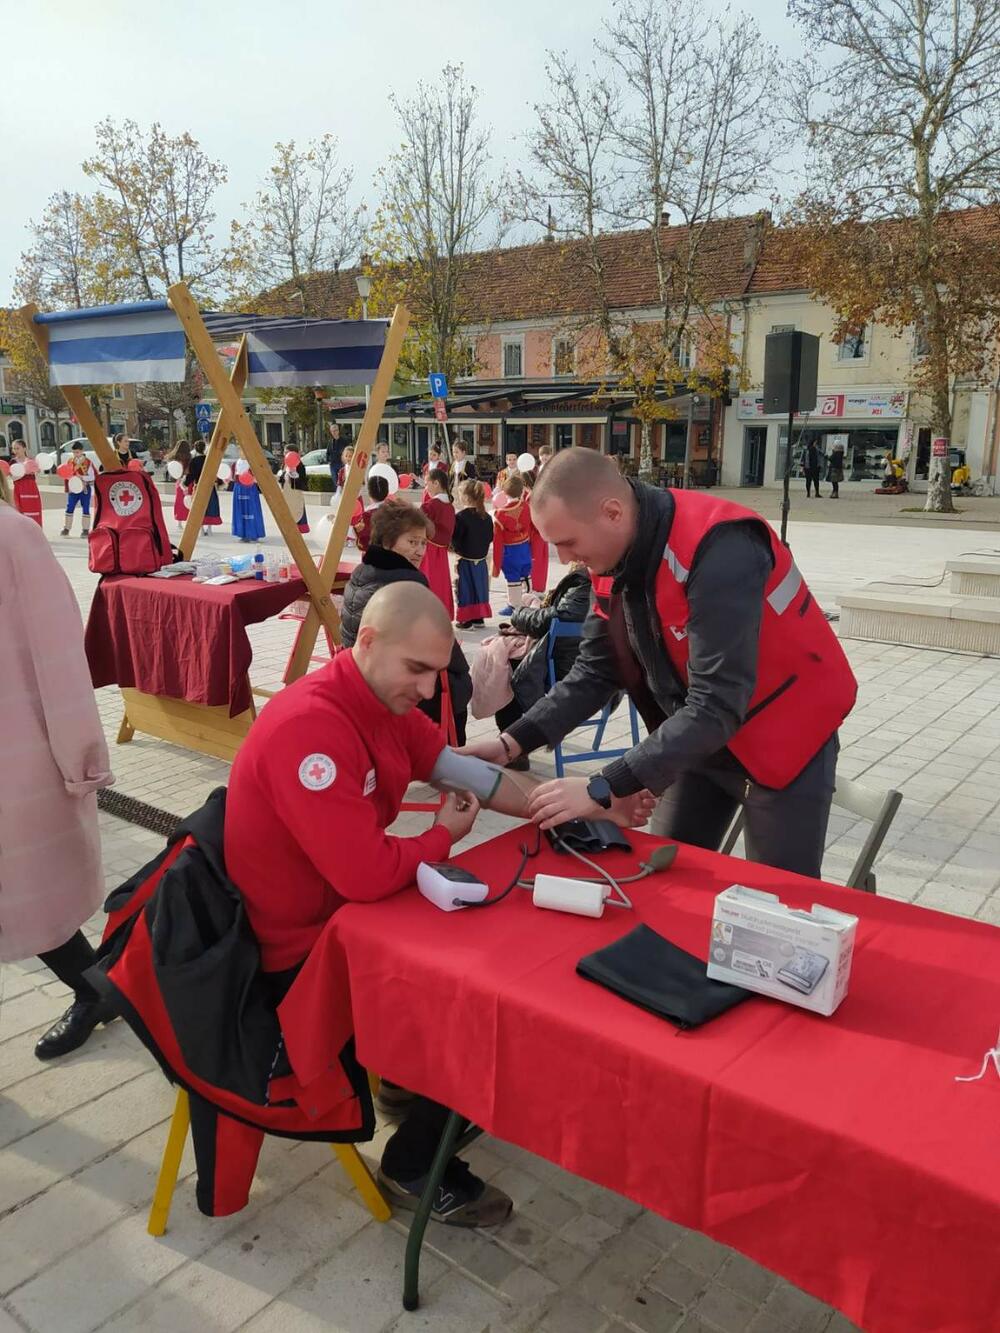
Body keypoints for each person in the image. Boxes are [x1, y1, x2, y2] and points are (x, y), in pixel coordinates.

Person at [224, 584, 515, 1226]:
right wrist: (443, 837)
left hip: (338, 920)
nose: (428, 689)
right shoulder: (313, 727)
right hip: (293, 954)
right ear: (366, 641)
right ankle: (413, 1166)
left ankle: (400, 1077)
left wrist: (566, 803)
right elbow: (365, 875)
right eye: (417, 670)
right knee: (477, 1005)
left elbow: (460, 770)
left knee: (472, 950)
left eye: (439, 674)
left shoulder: (377, 699)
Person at [461, 447, 858, 880]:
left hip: (785, 733)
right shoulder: (613, 553)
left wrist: (602, 787)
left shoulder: (720, 548)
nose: (564, 559)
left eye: (568, 543)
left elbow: (717, 703)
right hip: (700, 735)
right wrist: (509, 744)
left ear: (612, 512)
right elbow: (595, 671)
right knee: (666, 874)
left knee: (781, 902)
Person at [0, 470, 116, 1059]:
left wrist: (82, 760)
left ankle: (96, 990)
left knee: (33, 903)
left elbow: (60, 659)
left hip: (13, 759)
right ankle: (99, 990)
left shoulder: (13, 538)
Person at [341, 505, 472, 744]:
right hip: (392, 687)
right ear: (388, 541)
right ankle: (446, 750)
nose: (420, 551)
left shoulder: (361, 572)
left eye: (423, 543)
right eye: (412, 542)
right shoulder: (408, 583)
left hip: (358, 678)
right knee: (458, 681)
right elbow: (445, 650)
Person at [494, 562, 592, 768]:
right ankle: (514, 741)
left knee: (504, 663)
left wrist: (518, 613)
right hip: (588, 663)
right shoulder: (609, 577)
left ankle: (514, 747)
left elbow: (557, 618)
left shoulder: (586, 581)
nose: (566, 557)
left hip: (565, 668)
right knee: (508, 654)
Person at [451, 479, 493, 628]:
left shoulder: (461, 517)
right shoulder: (487, 517)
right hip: (481, 560)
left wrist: (454, 549)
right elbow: (490, 538)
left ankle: (466, 619)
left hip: (465, 559)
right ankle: (479, 617)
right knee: (480, 588)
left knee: (465, 588)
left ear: (466, 497)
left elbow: (455, 539)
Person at [492, 473, 535, 615]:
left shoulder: (500, 514)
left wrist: (496, 564)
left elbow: (497, 541)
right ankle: (528, 600)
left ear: (504, 493)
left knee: (513, 578)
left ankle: (514, 606)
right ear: (522, 490)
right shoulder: (526, 507)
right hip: (525, 548)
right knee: (525, 575)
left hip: (510, 552)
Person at [420, 467, 456, 619]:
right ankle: (443, 613)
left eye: (427, 483)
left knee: (428, 580)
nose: (426, 487)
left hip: (428, 549)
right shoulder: (449, 506)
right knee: (441, 581)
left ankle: (428, 615)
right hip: (442, 551)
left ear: (435, 483)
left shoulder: (431, 506)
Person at [185, 441, 223, 534]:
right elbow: (215, 472)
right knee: (211, 507)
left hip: (199, 486)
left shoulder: (194, 461)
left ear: (195, 448)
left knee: (199, 508)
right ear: (204, 448)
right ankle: (209, 529)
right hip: (210, 486)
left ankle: (201, 529)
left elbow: (192, 475)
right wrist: (219, 482)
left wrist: (185, 484)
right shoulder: (209, 459)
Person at [60, 442, 95, 537]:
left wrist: (82, 477)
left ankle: (85, 529)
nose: (76, 454)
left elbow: (92, 476)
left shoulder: (88, 462)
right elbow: (66, 474)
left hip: (84, 488)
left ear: (82, 451)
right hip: (73, 488)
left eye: (78, 452)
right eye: (74, 452)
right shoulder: (70, 461)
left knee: (86, 508)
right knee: (70, 507)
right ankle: (67, 528)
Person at [351, 474, 391, 553]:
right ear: (387, 492)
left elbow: (363, 539)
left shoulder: (367, 515)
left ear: (369, 493)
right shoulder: (395, 510)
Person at [10, 440, 43, 527]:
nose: (15, 451)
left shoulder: (31, 461)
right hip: (19, 489)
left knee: (34, 510)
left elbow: (36, 475)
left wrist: (36, 470)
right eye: (14, 448)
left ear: (24, 448)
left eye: (18, 448)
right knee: (20, 510)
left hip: (31, 489)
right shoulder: (13, 462)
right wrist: (25, 471)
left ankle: (36, 532)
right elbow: (13, 478)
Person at [233, 469, 267, 542]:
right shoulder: (237, 462)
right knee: (241, 511)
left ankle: (254, 533)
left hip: (250, 486)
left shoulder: (252, 461)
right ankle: (243, 534)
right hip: (240, 486)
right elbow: (235, 475)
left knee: (252, 510)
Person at [279, 453, 309, 533]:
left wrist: (294, 476)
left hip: (295, 494)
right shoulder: (285, 466)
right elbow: (281, 479)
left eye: (287, 452)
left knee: (296, 511)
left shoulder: (300, 466)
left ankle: (297, 530)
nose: (285, 455)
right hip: (287, 494)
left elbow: (303, 482)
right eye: (285, 453)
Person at [168, 439, 193, 529]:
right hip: (188, 481)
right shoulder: (189, 457)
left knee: (179, 501)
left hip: (179, 481)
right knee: (188, 500)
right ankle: (189, 519)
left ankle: (179, 522)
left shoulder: (175, 457)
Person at [325, 423, 343, 488]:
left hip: (341, 464)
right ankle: (337, 494)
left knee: (342, 481)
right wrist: (328, 461)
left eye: (335, 430)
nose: (334, 432)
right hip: (333, 465)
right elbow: (327, 453)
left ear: (338, 431)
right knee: (335, 481)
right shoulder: (330, 442)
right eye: (332, 431)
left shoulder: (344, 441)